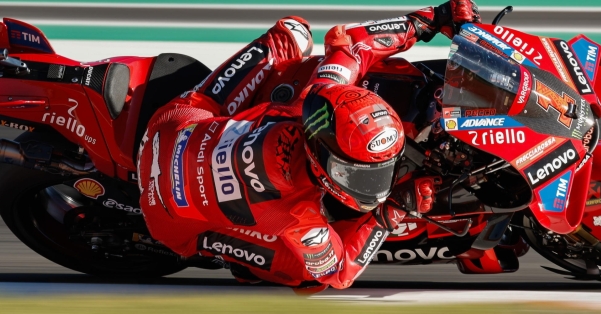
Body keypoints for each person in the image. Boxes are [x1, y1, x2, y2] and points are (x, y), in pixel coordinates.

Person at [137, 1, 480, 292]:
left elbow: (347, 41)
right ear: (324, 162)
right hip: (167, 219)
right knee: (311, 279)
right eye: (362, 174)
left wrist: (429, 20)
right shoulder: (301, 215)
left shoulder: (318, 96)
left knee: (292, 32)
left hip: (176, 123)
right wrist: (390, 214)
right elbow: (340, 273)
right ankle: (237, 261)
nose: (378, 184)